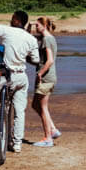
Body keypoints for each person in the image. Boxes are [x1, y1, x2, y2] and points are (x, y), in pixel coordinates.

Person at [0, 10, 40, 153]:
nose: (11, 21)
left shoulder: (7, 31)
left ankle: (3, 140)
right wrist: (22, 55)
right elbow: (36, 60)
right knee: (19, 112)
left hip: (7, 76)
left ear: (17, 20)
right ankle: (17, 143)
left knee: (3, 109)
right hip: (22, 76)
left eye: (12, 19)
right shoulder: (31, 39)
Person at [30, 16, 61, 147]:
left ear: (44, 25)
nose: (35, 27)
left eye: (37, 25)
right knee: (36, 105)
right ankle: (53, 130)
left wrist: (40, 74)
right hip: (48, 77)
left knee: (42, 107)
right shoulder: (47, 38)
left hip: (46, 78)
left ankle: (48, 137)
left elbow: (49, 60)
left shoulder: (47, 39)